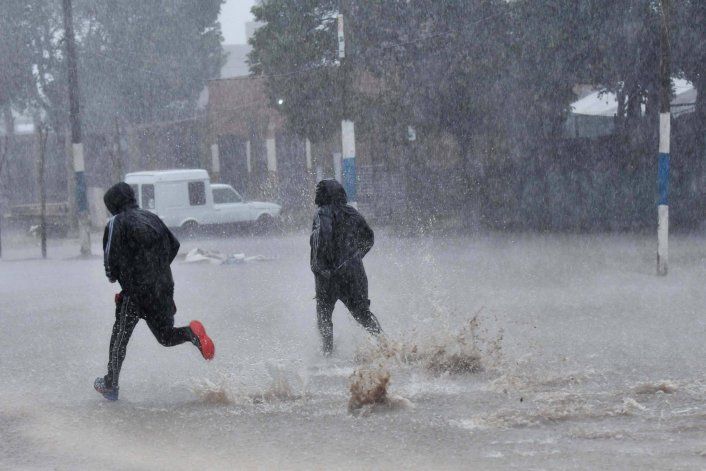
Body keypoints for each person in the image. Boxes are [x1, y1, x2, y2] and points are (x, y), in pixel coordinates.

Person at [94, 182, 214, 401]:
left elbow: (110, 262)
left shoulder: (116, 222)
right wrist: (156, 273)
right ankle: (191, 334)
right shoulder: (152, 218)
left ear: (112, 205)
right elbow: (174, 245)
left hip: (134, 292)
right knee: (165, 336)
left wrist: (119, 278)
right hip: (163, 288)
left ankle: (111, 384)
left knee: (120, 336)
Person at [310, 179, 382, 355]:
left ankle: (327, 354)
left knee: (324, 317)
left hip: (329, 276)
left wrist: (321, 266)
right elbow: (369, 237)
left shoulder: (322, 213)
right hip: (354, 274)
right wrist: (354, 258)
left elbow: (324, 236)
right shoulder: (352, 212)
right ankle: (387, 347)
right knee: (363, 315)